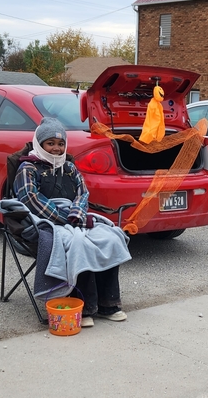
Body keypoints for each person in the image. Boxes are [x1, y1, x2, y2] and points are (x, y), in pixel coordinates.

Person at [13, 117, 130, 326]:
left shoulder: (70, 167)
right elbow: (30, 199)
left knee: (110, 237)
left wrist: (77, 213)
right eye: (50, 143)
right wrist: (65, 218)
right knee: (80, 244)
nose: (56, 148)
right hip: (44, 221)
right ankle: (85, 307)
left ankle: (108, 303)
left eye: (61, 144)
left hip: (74, 217)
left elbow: (82, 193)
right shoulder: (27, 168)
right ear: (40, 144)